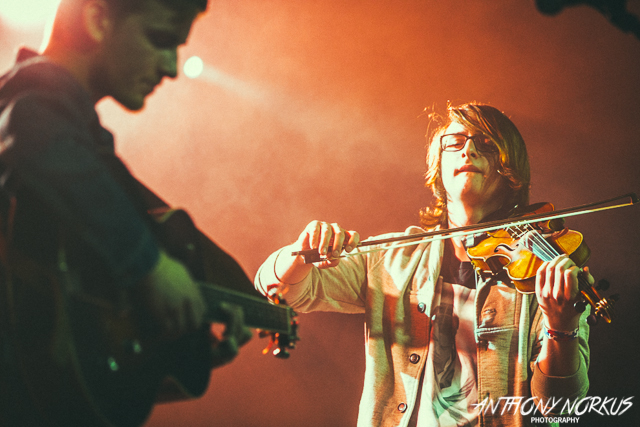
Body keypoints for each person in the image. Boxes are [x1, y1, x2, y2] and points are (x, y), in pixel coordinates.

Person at [255, 102, 590, 427]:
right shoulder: (392, 258)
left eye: (486, 144)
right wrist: (301, 252)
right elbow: (278, 291)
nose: (468, 150)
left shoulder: (540, 269)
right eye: (454, 142)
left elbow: (560, 408)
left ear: (511, 170)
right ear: (438, 166)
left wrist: (561, 328)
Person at [0, 0, 253, 425]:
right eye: (160, 39)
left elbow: (59, 335)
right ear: (97, 19)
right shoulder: (35, 97)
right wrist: (148, 264)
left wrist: (172, 351)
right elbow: (29, 126)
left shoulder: (77, 139)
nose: (171, 67)